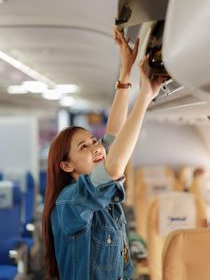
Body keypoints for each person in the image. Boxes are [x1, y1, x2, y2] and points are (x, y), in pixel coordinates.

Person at [42, 27, 163, 280]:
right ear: (66, 166)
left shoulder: (99, 194)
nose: (97, 147)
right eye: (83, 147)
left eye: (93, 141)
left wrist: (125, 72)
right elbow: (114, 167)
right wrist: (144, 98)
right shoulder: (70, 203)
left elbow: (114, 135)